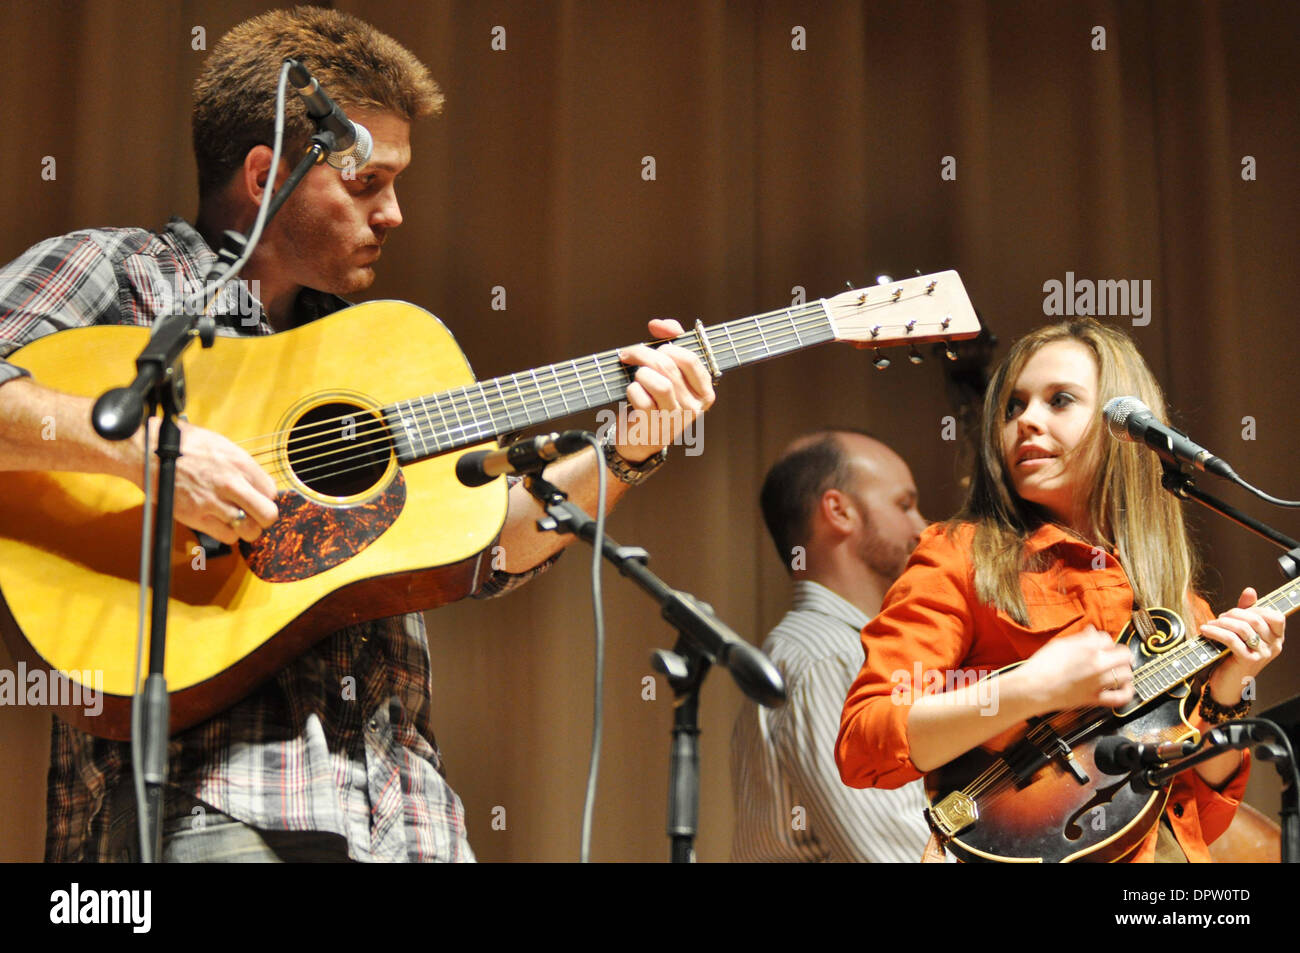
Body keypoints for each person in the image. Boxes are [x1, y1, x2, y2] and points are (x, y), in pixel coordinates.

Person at [0, 8, 714, 862]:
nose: (396, 214)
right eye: (367, 182)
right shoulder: (120, 272)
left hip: (405, 815)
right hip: (208, 805)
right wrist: (149, 452)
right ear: (265, 174)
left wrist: (628, 451)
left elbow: (484, 551)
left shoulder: (373, 356)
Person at [836, 319, 1285, 863]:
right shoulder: (958, 555)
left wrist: (1225, 693)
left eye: (1059, 400)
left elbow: (1200, 817)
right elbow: (864, 742)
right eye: (1013, 407)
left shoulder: (1178, 602)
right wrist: (1031, 689)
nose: (1027, 421)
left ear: (1128, 426)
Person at [731, 430, 931, 862]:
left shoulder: (833, 650)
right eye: (904, 505)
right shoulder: (829, 657)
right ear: (839, 511)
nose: (924, 528)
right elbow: (900, 853)